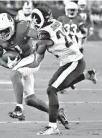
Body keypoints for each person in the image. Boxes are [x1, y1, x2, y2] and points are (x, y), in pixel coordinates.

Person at [0, 13, 69, 129]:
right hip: (21, 64)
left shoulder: (21, 28)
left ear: (12, 25)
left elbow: (39, 36)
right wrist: (8, 65)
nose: (3, 34)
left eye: (5, 30)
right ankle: (57, 113)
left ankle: (19, 108)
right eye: (0, 31)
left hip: (31, 58)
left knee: (14, 73)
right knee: (30, 100)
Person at [30, 4, 96, 135]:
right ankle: (87, 75)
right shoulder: (55, 22)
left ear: (40, 19)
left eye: (34, 18)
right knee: (53, 86)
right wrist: (37, 44)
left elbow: (39, 58)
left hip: (74, 62)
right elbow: (44, 40)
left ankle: (53, 126)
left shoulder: (44, 33)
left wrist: (27, 57)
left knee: (51, 89)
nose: (33, 21)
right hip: (70, 60)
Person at [57, 2, 97, 93]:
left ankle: (65, 84)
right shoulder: (61, 19)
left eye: (73, 10)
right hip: (64, 45)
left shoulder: (79, 18)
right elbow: (56, 30)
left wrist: (82, 34)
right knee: (65, 65)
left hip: (75, 46)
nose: (71, 12)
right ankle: (74, 80)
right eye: (70, 10)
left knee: (70, 66)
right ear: (66, 10)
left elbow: (83, 31)